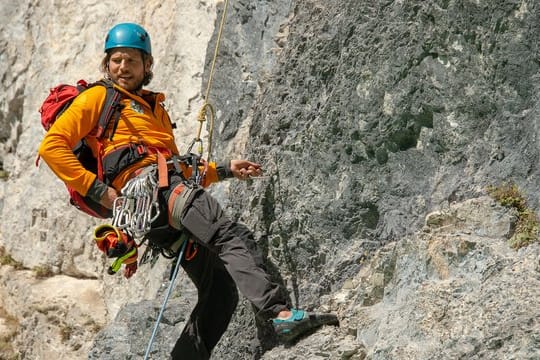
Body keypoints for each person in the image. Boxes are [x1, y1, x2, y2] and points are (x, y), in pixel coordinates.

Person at [38, 23, 338, 359]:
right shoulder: (100, 96)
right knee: (228, 234)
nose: (122, 67)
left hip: (161, 204)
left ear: (147, 66)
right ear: (107, 64)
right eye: (116, 60)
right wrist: (101, 192)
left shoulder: (154, 110)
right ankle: (280, 314)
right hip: (153, 195)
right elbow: (53, 146)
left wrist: (223, 170)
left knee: (221, 292)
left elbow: (175, 166)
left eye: (131, 61)